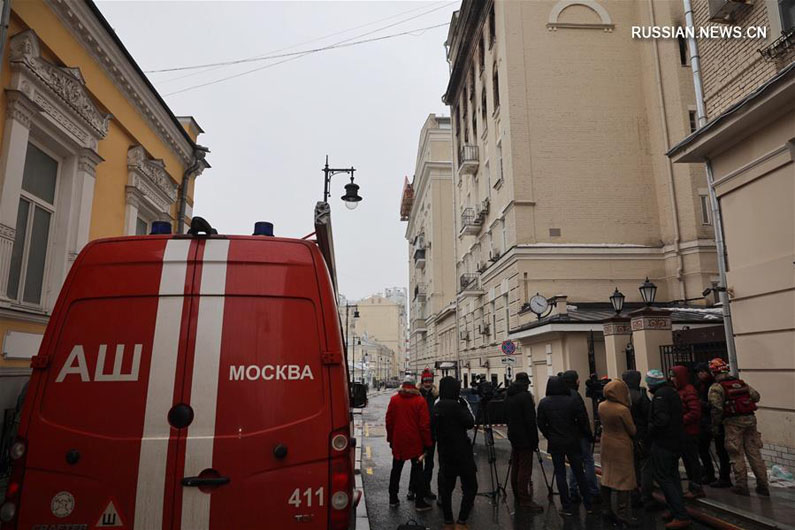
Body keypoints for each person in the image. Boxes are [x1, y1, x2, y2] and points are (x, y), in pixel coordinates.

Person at [707, 358, 769, 497]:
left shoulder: (716, 388)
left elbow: (716, 408)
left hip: (732, 423)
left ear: (713, 372)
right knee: (754, 454)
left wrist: (715, 426)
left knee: (736, 453)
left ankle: (741, 485)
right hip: (750, 420)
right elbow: (756, 397)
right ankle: (763, 485)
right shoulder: (741, 383)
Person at [537, 375, 594, 516]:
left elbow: (541, 423)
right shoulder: (571, 401)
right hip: (572, 440)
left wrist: (549, 435)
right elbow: (581, 420)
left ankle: (566, 505)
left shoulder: (544, 403)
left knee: (560, 473)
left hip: (555, 442)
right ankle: (588, 504)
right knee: (579, 472)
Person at [646, 369, 690, 529]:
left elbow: (661, 420)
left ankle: (680, 514)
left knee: (664, 477)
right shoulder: (671, 392)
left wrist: (649, 429)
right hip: (675, 441)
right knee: (673, 476)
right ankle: (675, 509)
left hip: (664, 443)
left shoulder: (660, 397)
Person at [432, 376, 478, 530]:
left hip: (445, 452)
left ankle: (448, 521)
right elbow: (470, 423)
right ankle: (461, 521)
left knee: (446, 489)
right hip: (462, 452)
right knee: (471, 486)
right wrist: (464, 405)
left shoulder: (437, 406)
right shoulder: (457, 406)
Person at [386, 375, 433, 511]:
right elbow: (424, 426)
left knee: (396, 470)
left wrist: (390, 439)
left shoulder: (394, 400)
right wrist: (428, 443)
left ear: (402, 385)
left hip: (399, 441)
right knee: (418, 472)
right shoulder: (420, 401)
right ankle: (419, 502)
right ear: (414, 385)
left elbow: (389, 421)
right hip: (415, 442)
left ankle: (393, 499)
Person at [599, 379, 639, 528]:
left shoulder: (601, 406)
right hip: (621, 445)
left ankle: (606, 508)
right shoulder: (622, 410)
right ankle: (622, 515)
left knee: (607, 476)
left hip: (606, 443)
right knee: (624, 479)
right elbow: (632, 430)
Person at [504, 372, 543, 513]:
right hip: (525, 436)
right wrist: (535, 440)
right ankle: (524, 499)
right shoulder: (525, 396)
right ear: (526, 382)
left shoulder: (509, 395)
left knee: (516, 464)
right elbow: (530, 421)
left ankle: (516, 494)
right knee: (525, 468)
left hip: (513, 434)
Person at [560, 370, 600, 504]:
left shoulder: (561, 394)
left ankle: (573, 491)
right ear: (574, 381)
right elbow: (582, 418)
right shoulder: (575, 396)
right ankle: (592, 490)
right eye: (577, 379)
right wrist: (589, 435)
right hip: (580, 435)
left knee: (573, 462)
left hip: (568, 435)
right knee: (588, 461)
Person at [621, 370, 656, 510]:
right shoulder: (640, 395)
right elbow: (648, 415)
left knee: (633, 466)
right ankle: (646, 497)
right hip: (641, 435)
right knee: (645, 466)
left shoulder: (622, 395)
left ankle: (634, 494)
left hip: (627, 436)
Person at [670, 365, 706, 499]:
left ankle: (697, 487)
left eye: (674, 376)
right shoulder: (679, 390)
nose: (672, 379)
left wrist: (679, 420)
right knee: (687, 460)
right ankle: (693, 486)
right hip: (682, 431)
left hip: (689, 431)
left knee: (692, 460)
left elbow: (695, 412)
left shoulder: (689, 390)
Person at [694, 362, 732, 488]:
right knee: (703, 448)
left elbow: (715, 407)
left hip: (715, 421)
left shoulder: (714, 386)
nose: (700, 374)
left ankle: (724, 477)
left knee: (721, 451)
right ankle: (709, 473)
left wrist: (702, 404)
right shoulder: (700, 385)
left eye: (702, 371)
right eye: (698, 372)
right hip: (705, 421)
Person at [411, 368, 439, 502]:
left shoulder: (435, 395)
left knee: (429, 464)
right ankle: (413, 489)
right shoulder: (417, 394)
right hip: (418, 435)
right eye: (425, 381)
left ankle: (426, 488)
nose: (428, 383)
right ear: (422, 381)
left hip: (432, 433)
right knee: (417, 463)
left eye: (430, 381)